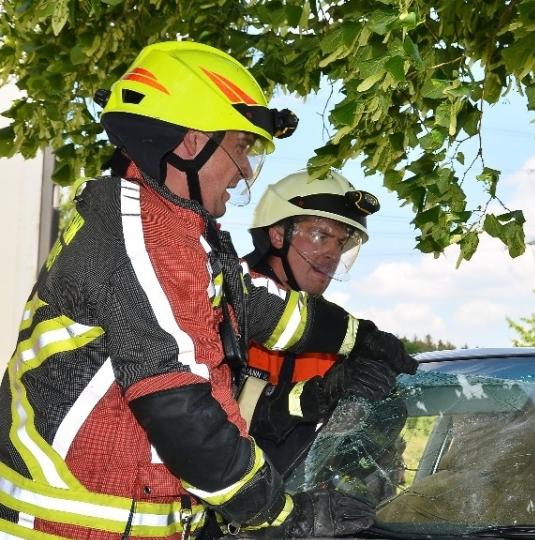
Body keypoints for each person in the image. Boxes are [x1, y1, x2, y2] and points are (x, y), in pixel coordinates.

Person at [0, 41, 414, 539]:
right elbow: (179, 409)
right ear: (192, 142)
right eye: (241, 147)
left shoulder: (180, 236)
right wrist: (279, 516)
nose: (245, 170)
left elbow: (270, 311)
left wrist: (359, 338)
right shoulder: (139, 238)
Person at [241, 170, 412, 476]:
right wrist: (318, 395)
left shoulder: (336, 335)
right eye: (320, 235)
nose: (332, 253)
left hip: (294, 510)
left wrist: (377, 421)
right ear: (279, 234)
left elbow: (334, 451)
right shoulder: (228, 298)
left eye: (342, 243)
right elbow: (216, 416)